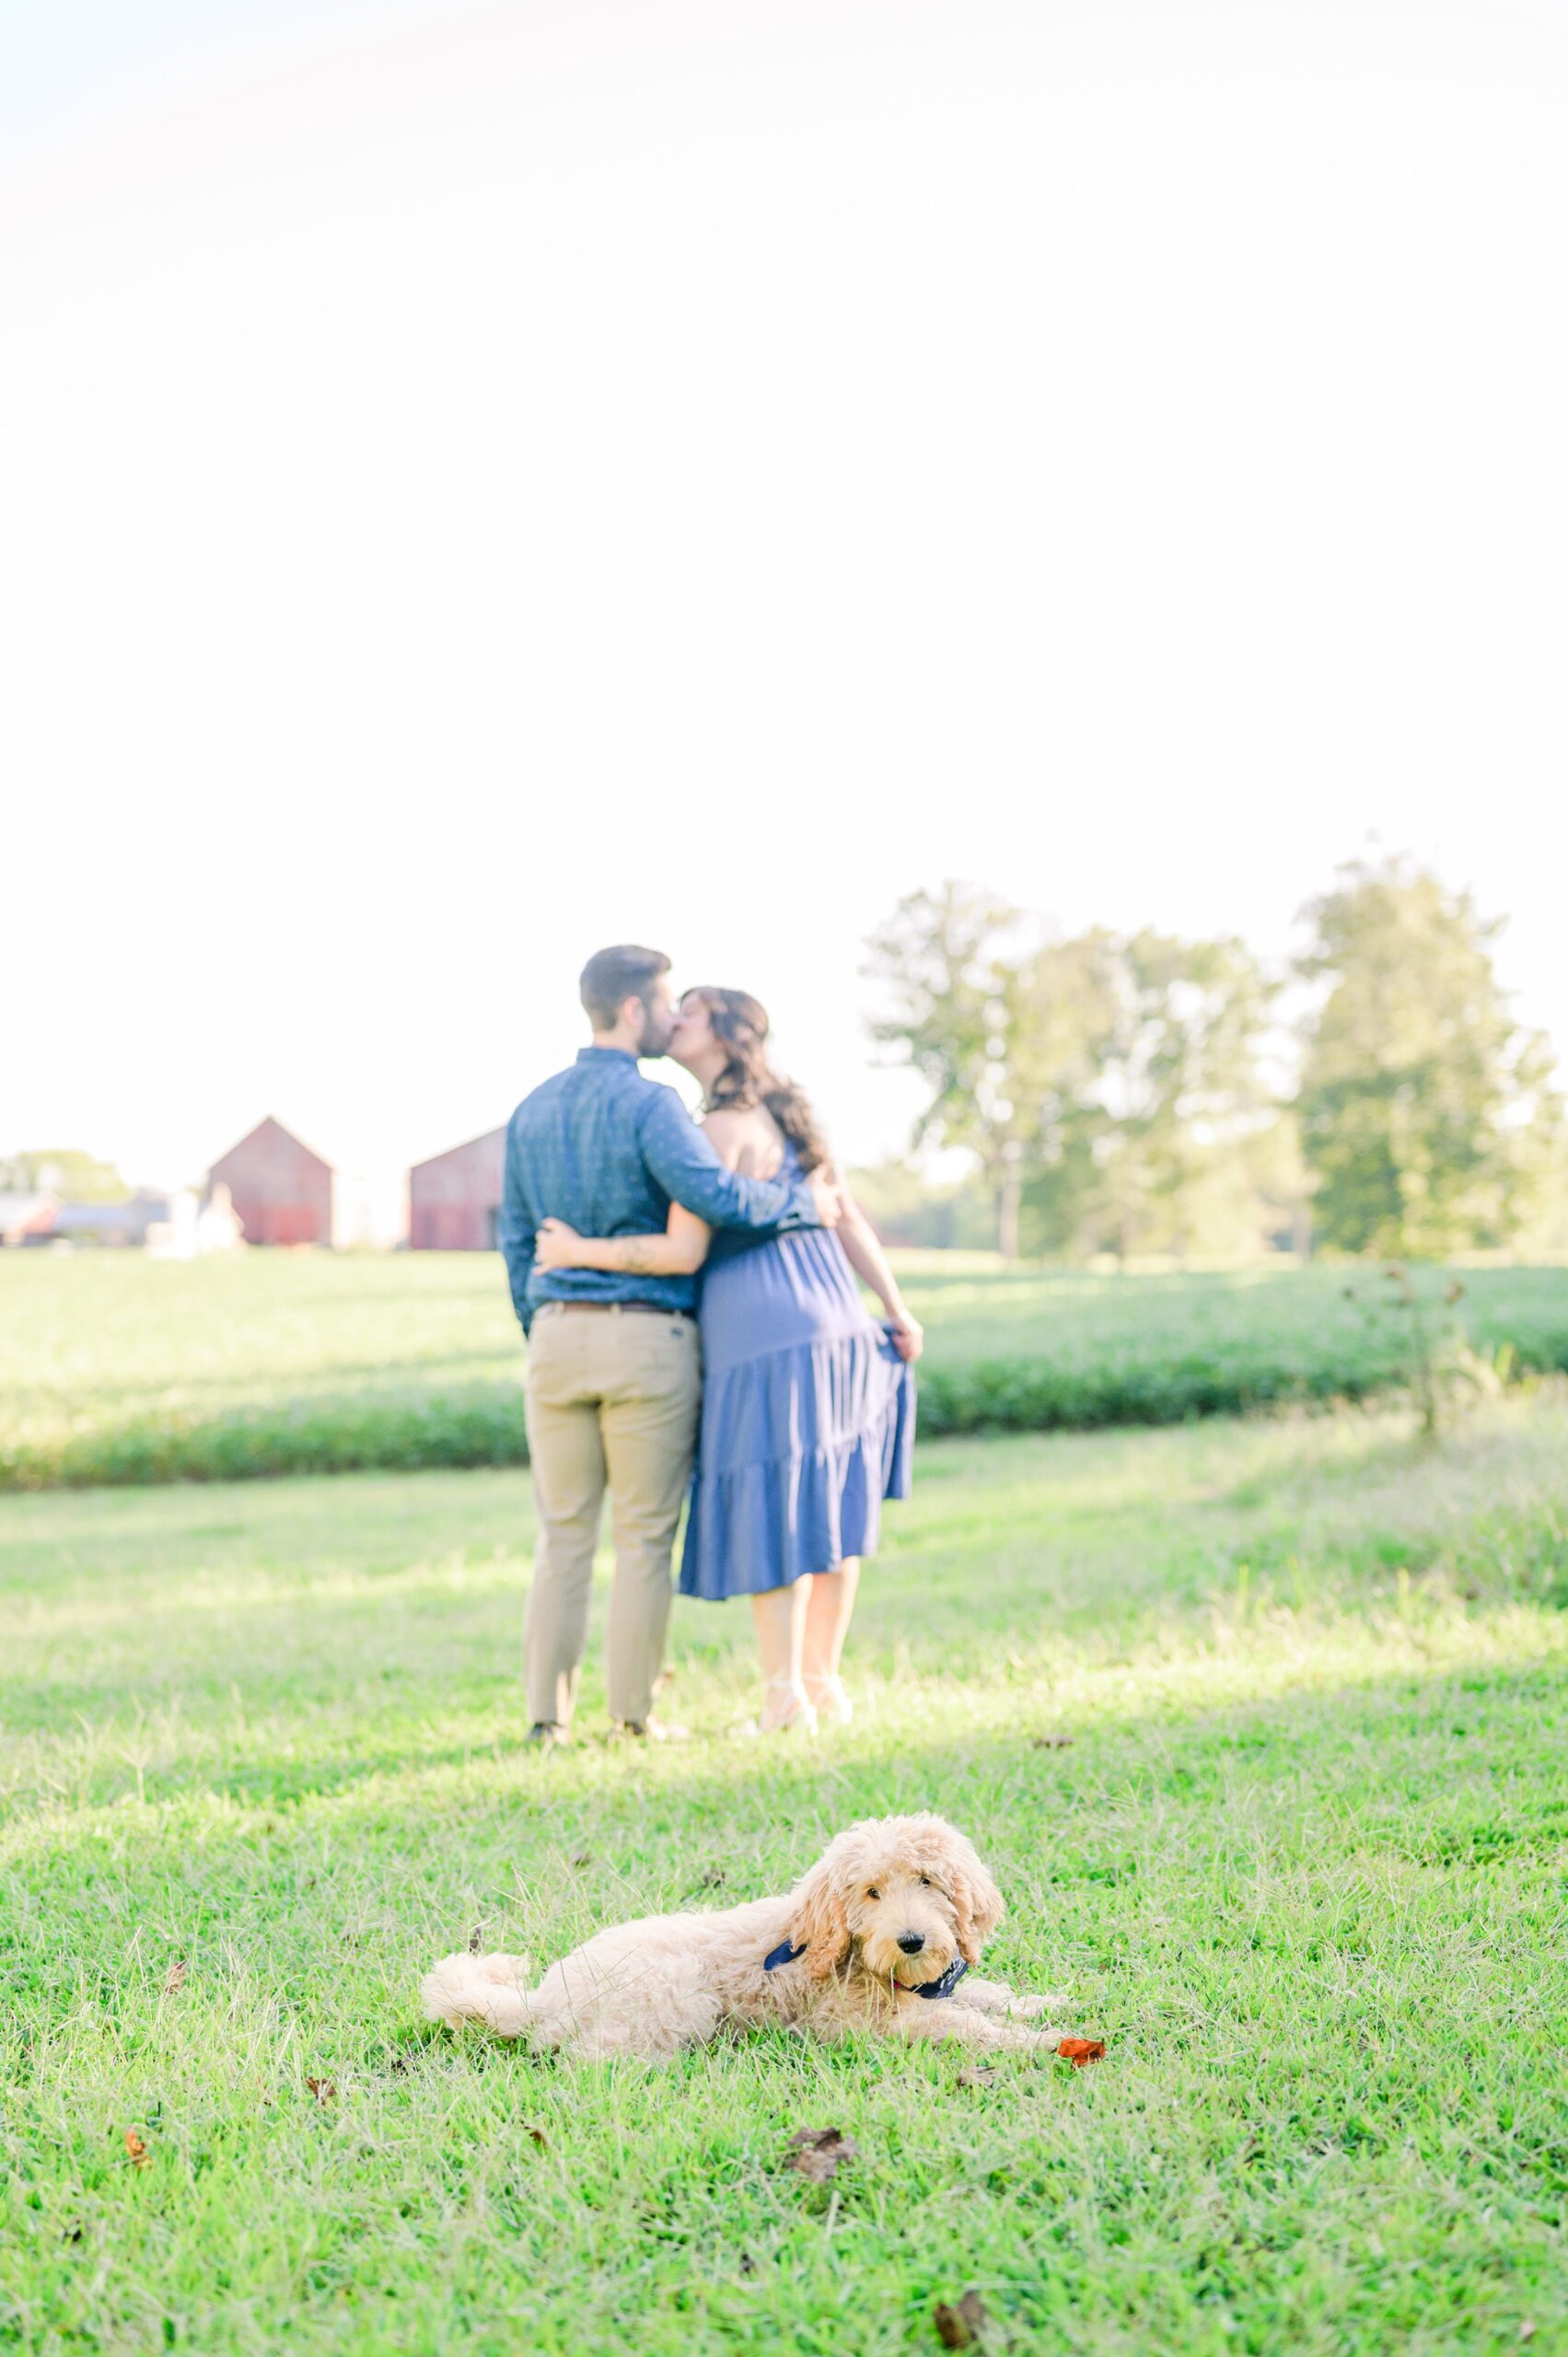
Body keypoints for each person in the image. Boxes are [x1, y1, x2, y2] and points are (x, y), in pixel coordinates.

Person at [535, 986, 922, 1735]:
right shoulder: (790, 1114)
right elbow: (853, 1221)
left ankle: (784, 1698)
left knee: (778, 1505)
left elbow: (684, 1250)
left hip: (761, 1329)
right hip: (837, 1315)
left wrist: (576, 1251)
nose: (675, 1019)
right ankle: (822, 1683)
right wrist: (895, 1308)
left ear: (725, 1036)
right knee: (831, 1500)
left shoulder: (717, 1130)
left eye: (692, 1011)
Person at [499, 946, 838, 1747]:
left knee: (562, 1535)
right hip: (647, 1338)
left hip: (552, 1341)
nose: (669, 1016)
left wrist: (544, 1320)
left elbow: (517, 1241)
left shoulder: (531, 1109)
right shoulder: (652, 1107)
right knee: (644, 1537)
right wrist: (800, 1200)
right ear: (629, 1011)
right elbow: (717, 1196)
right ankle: (630, 1719)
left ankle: (546, 1722)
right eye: (660, 1003)